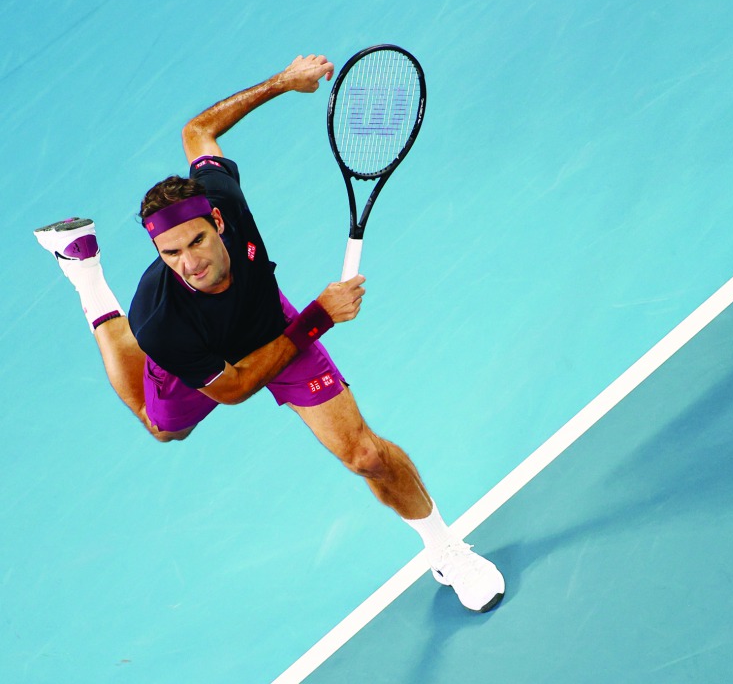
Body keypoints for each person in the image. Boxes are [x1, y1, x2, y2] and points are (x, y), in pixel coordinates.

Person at [34, 54, 504, 613]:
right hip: (221, 357)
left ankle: (447, 549)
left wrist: (284, 82)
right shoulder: (160, 320)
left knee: (365, 456)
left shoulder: (226, 198)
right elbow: (232, 389)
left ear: (219, 223)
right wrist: (318, 317)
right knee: (161, 430)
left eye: (197, 243)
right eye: (171, 253)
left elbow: (198, 130)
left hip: (272, 324)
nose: (189, 263)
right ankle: (85, 269)